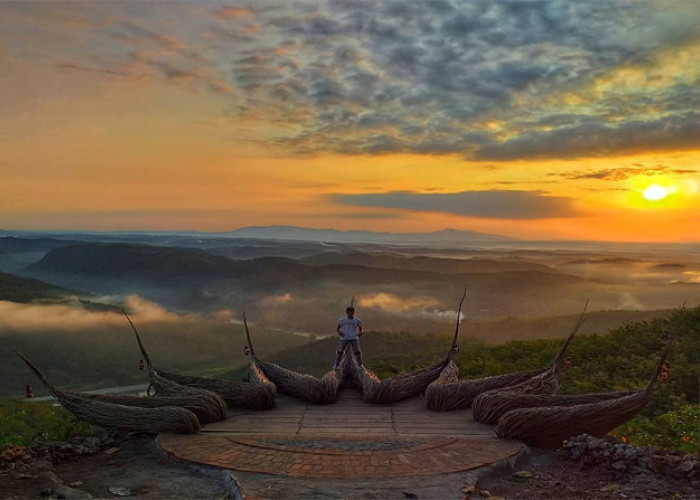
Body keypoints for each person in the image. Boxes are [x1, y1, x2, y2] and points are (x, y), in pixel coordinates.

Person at [333, 306, 364, 370]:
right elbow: (338, 328)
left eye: (351, 312)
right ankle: (336, 365)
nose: (350, 313)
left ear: (353, 312)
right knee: (340, 351)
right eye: (349, 312)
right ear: (346, 312)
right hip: (344, 338)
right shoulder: (342, 320)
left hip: (354, 337)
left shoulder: (357, 320)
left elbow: (361, 329)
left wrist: (360, 333)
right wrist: (340, 333)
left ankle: (360, 365)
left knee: (357, 351)